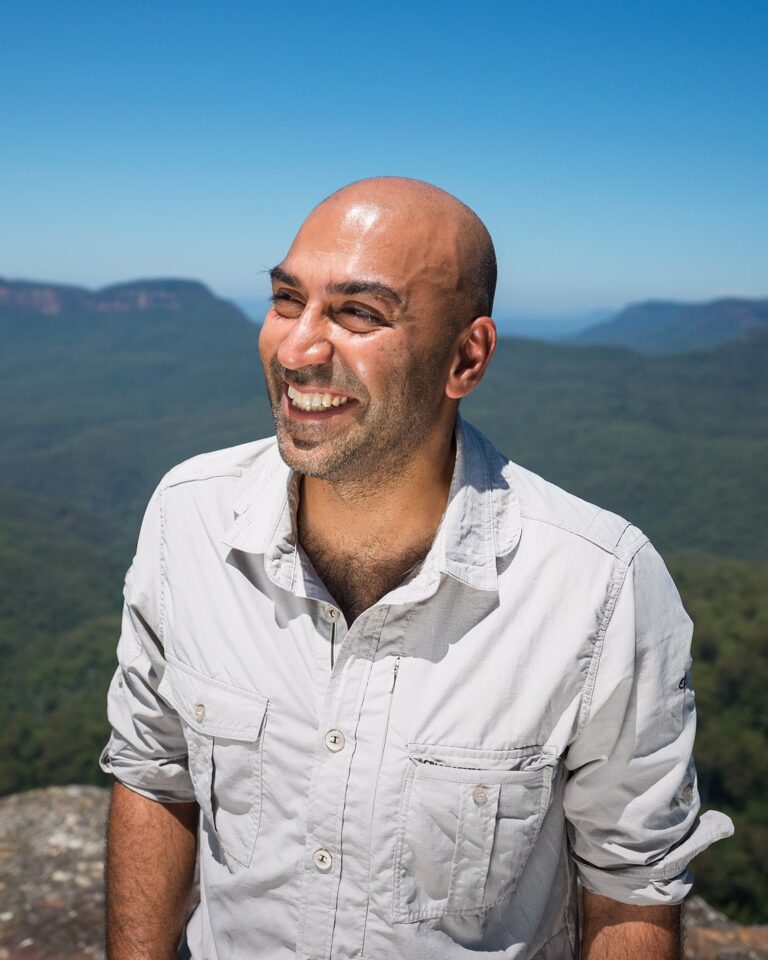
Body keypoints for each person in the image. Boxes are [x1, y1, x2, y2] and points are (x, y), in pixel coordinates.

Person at [101, 177, 732, 960]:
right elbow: (155, 773)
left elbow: (630, 889)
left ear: (466, 358)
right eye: (287, 299)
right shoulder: (187, 517)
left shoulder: (597, 587)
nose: (297, 349)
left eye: (359, 314)